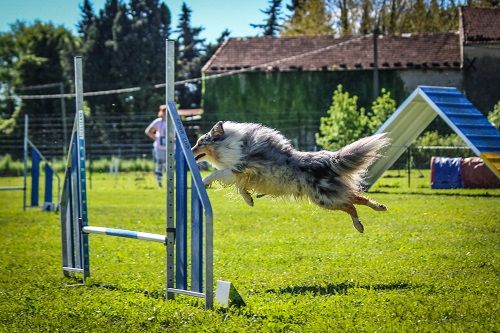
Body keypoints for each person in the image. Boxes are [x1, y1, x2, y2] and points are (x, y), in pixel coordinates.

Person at [145, 105, 167, 187]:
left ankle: (169, 181)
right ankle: (159, 181)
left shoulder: (172, 122)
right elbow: (148, 131)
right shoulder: (158, 121)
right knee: (160, 163)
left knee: (169, 164)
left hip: (171, 147)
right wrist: (156, 138)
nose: (165, 113)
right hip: (159, 147)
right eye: (164, 111)